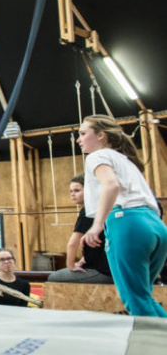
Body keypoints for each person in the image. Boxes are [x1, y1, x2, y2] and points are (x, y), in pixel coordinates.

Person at [78, 115, 167, 317]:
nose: (79, 139)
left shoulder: (97, 156)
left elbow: (111, 185)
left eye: (83, 134)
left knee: (134, 299)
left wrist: (96, 226)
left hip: (128, 222)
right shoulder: (126, 160)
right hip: (155, 225)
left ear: (101, 135)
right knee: (144, 296)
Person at [48, 175, 112, 284]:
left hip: (103, 272)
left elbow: (73, 243)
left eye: (77, 190)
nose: (72, 194)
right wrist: (85, 257)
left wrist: (70, 265)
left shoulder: (88, 211)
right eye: (71, 191)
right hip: (111, 269)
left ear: (88, 191)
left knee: (52, 278)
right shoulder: (103, 207)